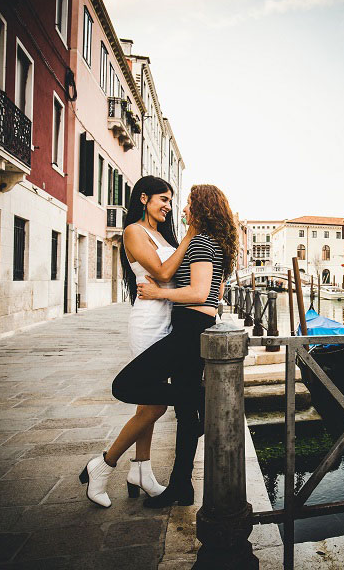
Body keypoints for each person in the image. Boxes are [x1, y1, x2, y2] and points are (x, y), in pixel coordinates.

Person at [80, 184, 236, 509]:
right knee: (173, 409)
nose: (179, 209)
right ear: (144, 199)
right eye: (165, 199)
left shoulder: (198, 242)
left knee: (143, 394)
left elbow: (198, 291)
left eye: (184, 203)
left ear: (201, 208)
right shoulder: (193, 241)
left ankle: (166, 471)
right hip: (173, 323)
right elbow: (210, 292)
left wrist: (161, 293)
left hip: (185, 325)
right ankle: (176, 482)